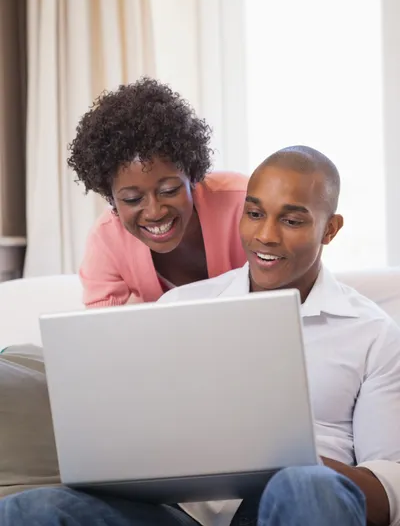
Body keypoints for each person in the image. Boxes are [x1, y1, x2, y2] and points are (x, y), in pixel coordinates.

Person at [1, 146, 399, 526]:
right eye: (255, 214)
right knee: (33, 510)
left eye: (291, 220)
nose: (266, 236)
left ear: (330, 229)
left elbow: (389, 486)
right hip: (183, 515)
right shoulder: (181, 306)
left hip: (294, 505)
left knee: (305, 484)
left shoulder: (373, 333)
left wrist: (292, 458)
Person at [67, 78, 248, 307]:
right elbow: (99, 329)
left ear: (192, 176)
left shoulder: (244, 203)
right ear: (110, 197)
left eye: (169, 190)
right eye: (132, 199)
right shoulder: (107, 240)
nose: (154, 212)